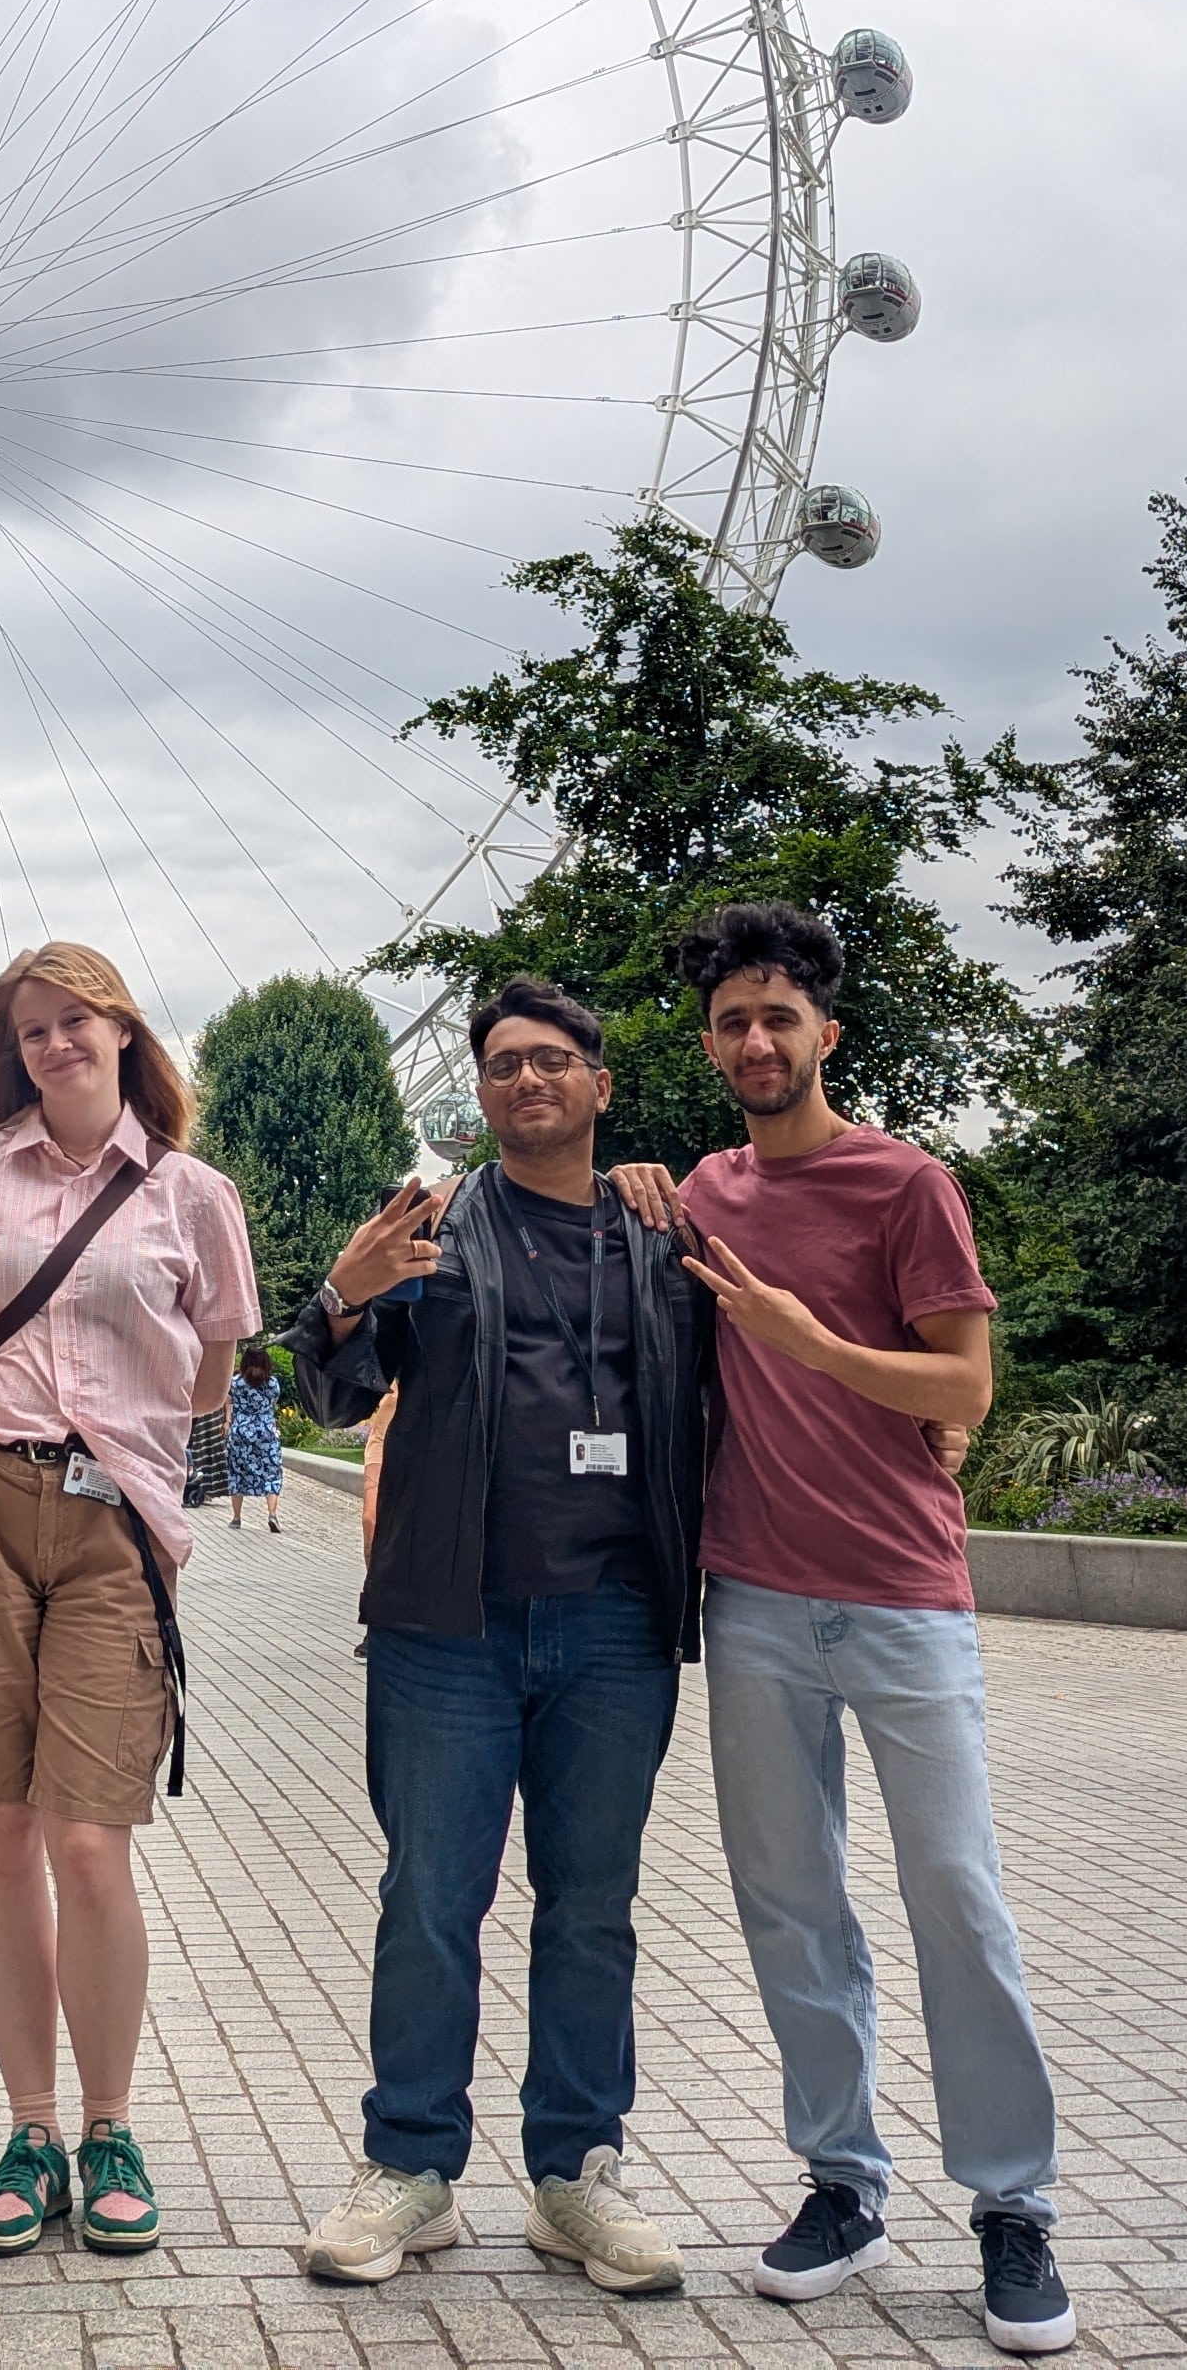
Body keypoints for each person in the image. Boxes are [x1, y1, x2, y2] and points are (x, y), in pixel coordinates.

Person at [646, 901, 1076, 2359]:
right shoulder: (702, 1193)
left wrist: (810, 1343)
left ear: (829, 1032)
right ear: (711, 1046)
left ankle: (1013, 2204)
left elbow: (964, 1393)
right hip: (753, 1597)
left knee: (956, 1896)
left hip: (902, 1597)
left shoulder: (909, 1187)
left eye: (779, 1017)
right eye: (730, 1022)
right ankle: (843, 2181)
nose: (755, 1040)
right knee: (790, 1906)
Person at [283, 975, 713, 2301]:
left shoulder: (662, 1231)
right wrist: (344, 1300)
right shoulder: (428, 1229)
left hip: (616, 1623)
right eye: (503, 1065)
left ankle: (576, 2176)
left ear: (598, 1082)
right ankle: (410, 2169)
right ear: (480, 1095)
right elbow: (334, 1387)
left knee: (591, 1911)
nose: (526, 1081)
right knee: (429, 1901)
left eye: (552, 1060)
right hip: (444, 1625)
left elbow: (750, 1375)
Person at [0, 941, 261, 2260]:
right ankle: (31, 2127)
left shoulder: (192, 1193)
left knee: (89, 1839)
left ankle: (111, 2123)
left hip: (117, 1531)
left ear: (124, 1030)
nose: (57, 1043)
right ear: (14, 1049)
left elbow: (214, 1365)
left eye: (78, 1020)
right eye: (34, 1028)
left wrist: (146, 1479)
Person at [226, 1337, 285, 1533]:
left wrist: (228, 1421)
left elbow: (228, 1402)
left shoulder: (236, 1383)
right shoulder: (272, 1384)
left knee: (237, 1473)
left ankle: (236, 1517)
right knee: (271, 1472)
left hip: (241, 1430)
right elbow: (272, 1405)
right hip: (265, 1431)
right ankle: (272, 1514)